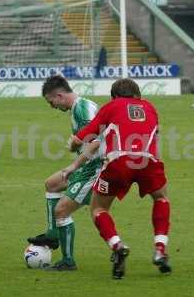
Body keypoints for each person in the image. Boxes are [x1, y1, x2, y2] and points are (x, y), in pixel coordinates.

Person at [68, 78, 172, 279]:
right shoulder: (150, 107)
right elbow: (154, 137)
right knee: (161, 198)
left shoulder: (112, 106)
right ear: (137, 95)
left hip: (119, 162)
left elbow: (83, 137)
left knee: (98, 208)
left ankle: (117, 245)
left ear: (115, 96)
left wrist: (72, 146)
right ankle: (160, 249)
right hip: (148, 161)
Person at [27, 75, 102, 271]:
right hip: (86, 166)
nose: (52, 107)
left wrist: (76, 150)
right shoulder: (80, 106)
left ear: (59, 95)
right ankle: (53, 235)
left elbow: (95, 140)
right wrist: (77, 145)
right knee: (52, 184)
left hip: (95, 168)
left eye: (51, 102)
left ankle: (68, 261)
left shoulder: (82, 108)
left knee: (61, 210)